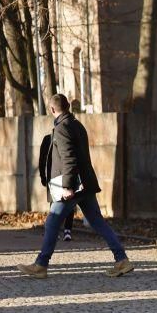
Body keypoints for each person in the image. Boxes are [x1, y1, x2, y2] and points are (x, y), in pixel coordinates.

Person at [17, 94, 132, 279]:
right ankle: (122, 259)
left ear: (52, 109)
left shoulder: (61, 128)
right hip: (86, 184)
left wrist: (68, 186)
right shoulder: (77, 125)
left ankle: (41, 265)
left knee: (52, 221)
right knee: (97, 222)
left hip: (73, 186)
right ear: (68, 106)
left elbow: (69, 158)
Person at [38, 133, 75, 241]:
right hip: (61, 175)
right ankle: (65, 230)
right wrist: (42, 175)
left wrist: (43, 176)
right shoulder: (62, 137)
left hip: (56, 176)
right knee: (66, 203)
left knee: (58, 204)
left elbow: (42, 159)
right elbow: (42, 159)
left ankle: (60, 231)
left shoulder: (50, 138)